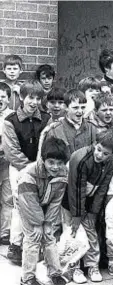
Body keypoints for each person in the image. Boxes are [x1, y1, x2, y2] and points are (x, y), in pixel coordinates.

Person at [62, 129, 113, 284]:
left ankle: (92, 266)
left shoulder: (112, 163)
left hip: (90, 200)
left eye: (106, 154)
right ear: (95, 143)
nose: (100, 155)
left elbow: (102, 189)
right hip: (71, 201)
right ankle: (74, 267)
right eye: (99, 149)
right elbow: (76, 189)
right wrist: (76, 215)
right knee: (74, 235)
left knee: (91, 233)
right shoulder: (80, 158)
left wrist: (94, 212)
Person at [3, 80, 50, 265]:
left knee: (38, 207)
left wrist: (41, 168)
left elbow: (48, 144)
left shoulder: (47, 119)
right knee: (19, 205)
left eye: (38, 98)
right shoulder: (10, 121)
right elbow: (11, 151)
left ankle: (34, 245)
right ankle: (15, 245)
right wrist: (30, 169)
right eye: (31, 97)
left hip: (41, 171)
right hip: (19, 170)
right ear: (22, 97)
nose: (34, 102)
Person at [19, 137, 69, 285]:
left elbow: (56, 201)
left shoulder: (62, 173)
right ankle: (27, 278)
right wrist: (37, 224)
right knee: (33, 239)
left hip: (46, 206)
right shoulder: (29, 174)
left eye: (59, 163)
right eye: (51, 162)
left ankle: (55, 273)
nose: (55, 167)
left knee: (49, 237)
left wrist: (48, 222)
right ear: (43, 159)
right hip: (27, 205)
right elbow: (29, 202)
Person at [44, 89, 96, 160]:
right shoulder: (55, 130)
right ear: (65, 107)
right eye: (75, 108)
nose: (80, 111)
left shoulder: (91, 128)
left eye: (83, 107)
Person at [0, 82, 14, 245]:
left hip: (6, 162)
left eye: (2, 97)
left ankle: (4, 232)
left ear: (8, 99)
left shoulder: (12, 116)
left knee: (7, 198)